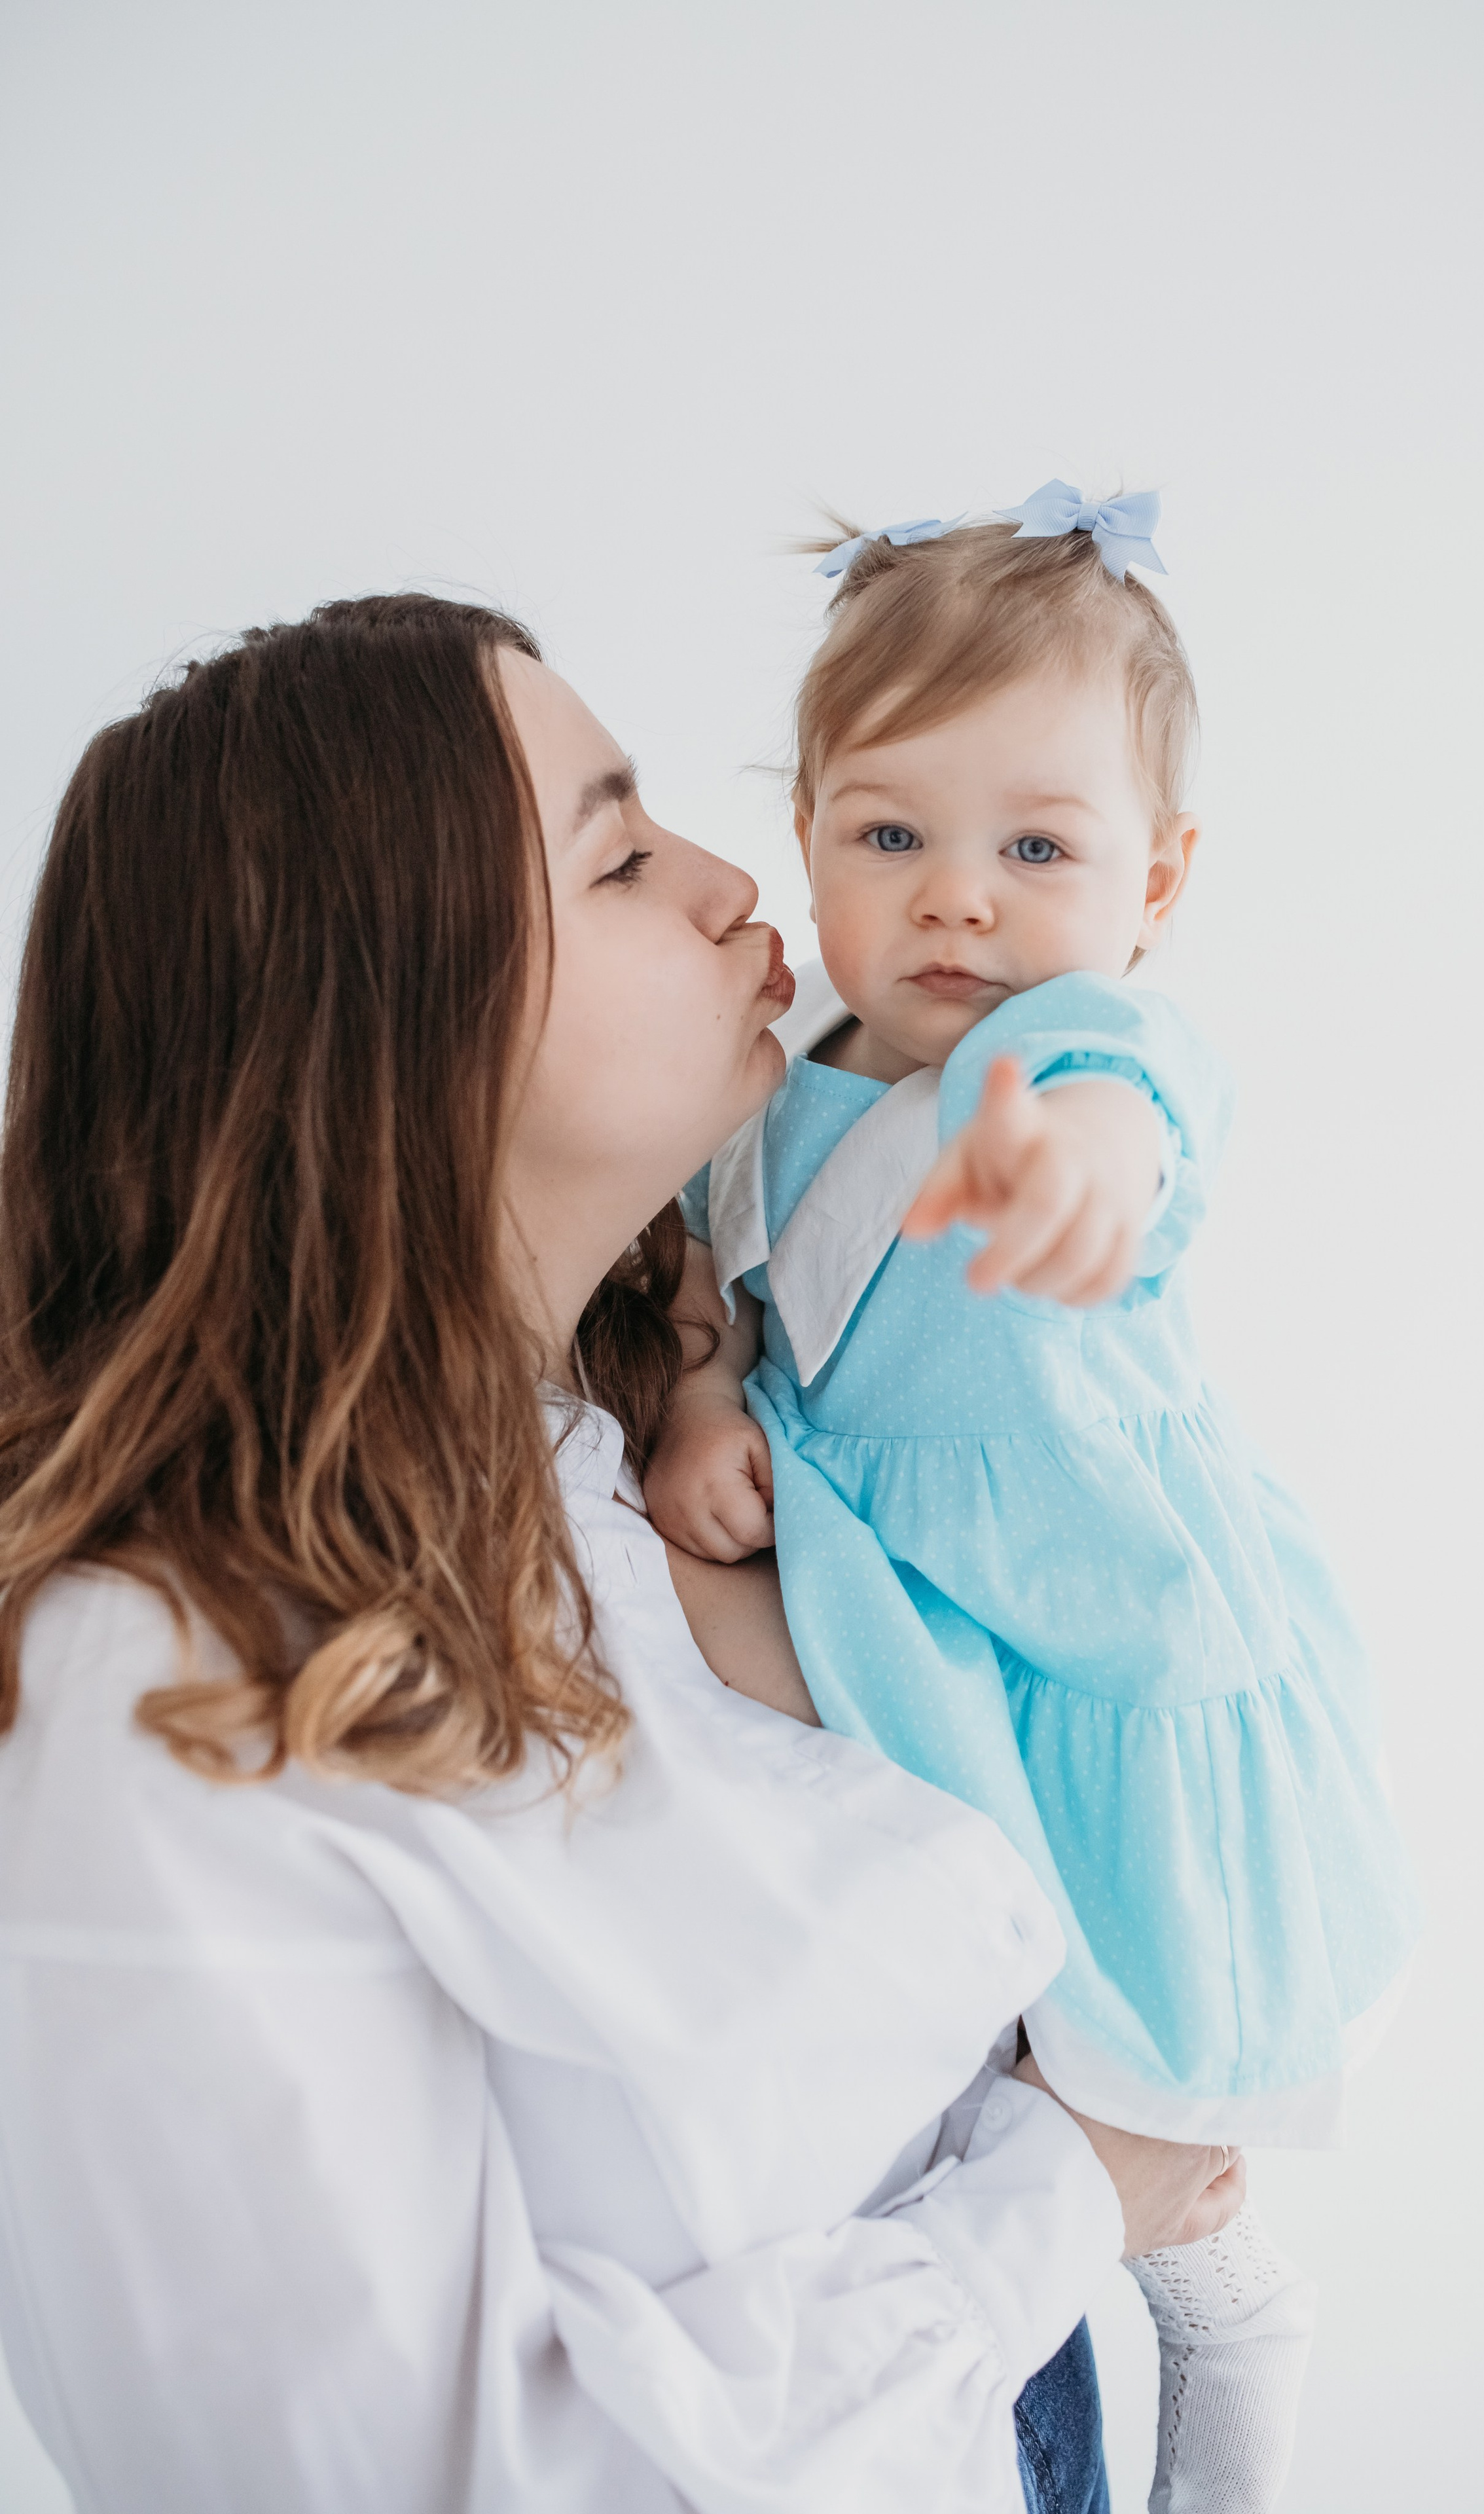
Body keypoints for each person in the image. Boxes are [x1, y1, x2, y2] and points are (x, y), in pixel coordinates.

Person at [0, 593, 1246, 2514]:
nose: (738, 880)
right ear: (391, 1018)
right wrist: (1059, 2198)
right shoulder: (159, 1697)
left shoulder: (671, 1439)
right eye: (619, 852)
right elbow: (421, 2478)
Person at [644, 488, 1421, 2507]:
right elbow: (706, 1297)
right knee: (991, 2132)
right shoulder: (769, 1099)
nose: (958, 903)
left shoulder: (1086, 1053)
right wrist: (702, 1398)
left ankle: (1234, 2317)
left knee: (1143, 2111)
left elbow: (1139, 1116)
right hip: (915, 1673)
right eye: (889, 836)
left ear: (1153, 882)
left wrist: (1085, 1169)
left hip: (1096, 1659)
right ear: (805, 836)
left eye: (1038, 850)